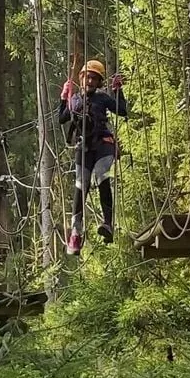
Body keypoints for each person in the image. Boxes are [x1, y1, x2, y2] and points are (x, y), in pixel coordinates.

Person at [58, 59, 127, 255]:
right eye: (88, 77)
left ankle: (107, 224)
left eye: (94, 79)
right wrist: (64, 98)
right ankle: (75, 234)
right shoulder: (74, 100)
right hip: (84, 147)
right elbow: (61, 118)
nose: (90, 81)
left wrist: (117, 91)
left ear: (99, 83)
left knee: (101, 175)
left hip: (103, 144)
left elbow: (122, 110)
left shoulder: (102, 98)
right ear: (82, 78)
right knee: (81, 185)